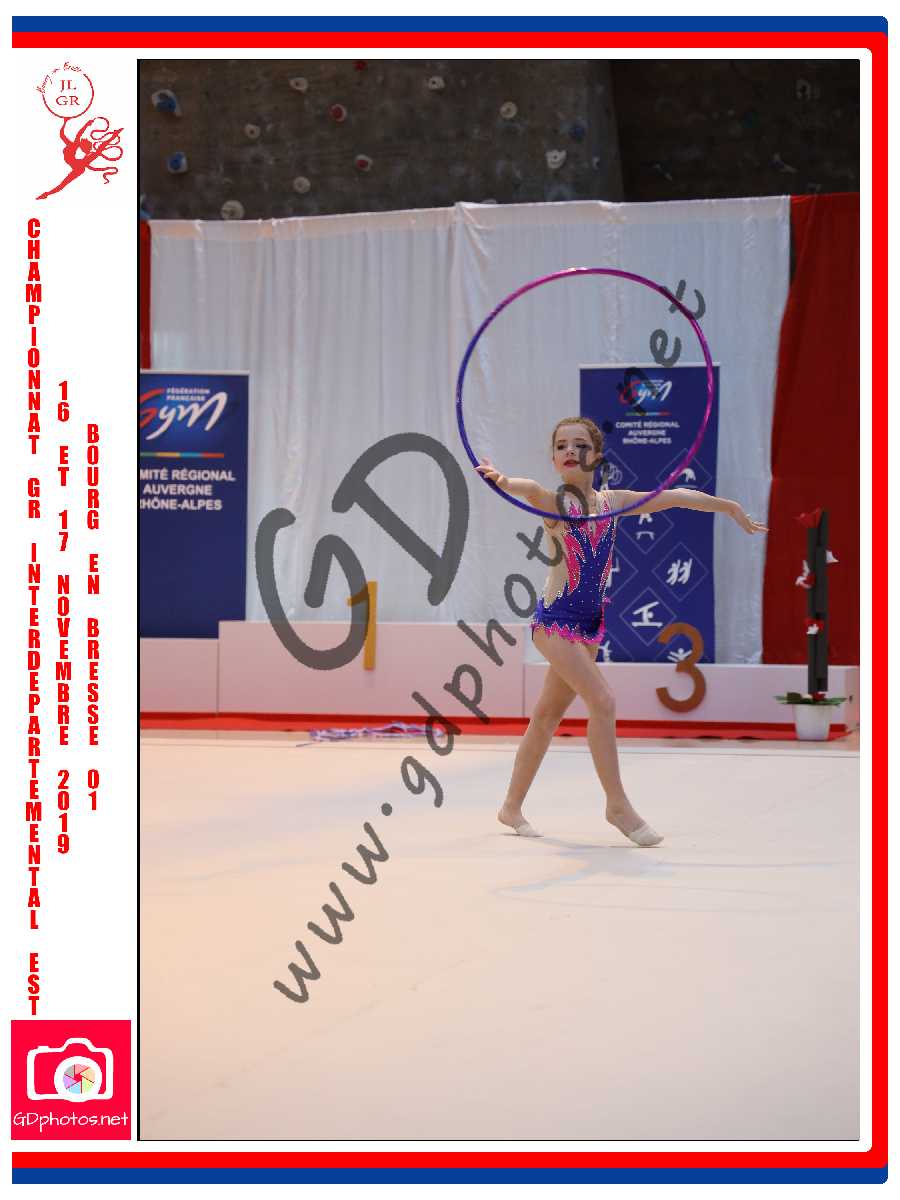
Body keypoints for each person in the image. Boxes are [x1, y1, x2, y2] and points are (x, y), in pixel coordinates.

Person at [475, 416, 768, 845]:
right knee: (603, 700)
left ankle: (510, 806)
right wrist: (503, 480)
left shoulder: (613, 502)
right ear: (553, 458)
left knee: (546, 716)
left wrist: (727, 506)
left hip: (589, 628)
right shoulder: (555, 503)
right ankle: (617, 805)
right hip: (554, 622)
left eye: (580, 444)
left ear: (597, 455)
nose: (570, 451)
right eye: (561, 445)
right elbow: (528, 489)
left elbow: (673, 497)